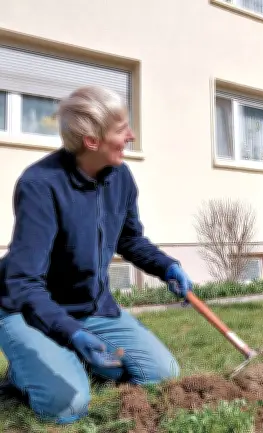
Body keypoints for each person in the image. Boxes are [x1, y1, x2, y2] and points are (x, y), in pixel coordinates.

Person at [0, 86, 191, 424]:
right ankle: (24, 372)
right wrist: (71, 332)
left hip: (90, 307)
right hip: (27, 309)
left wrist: (167, 267)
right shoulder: (40, 185)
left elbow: (129, 239)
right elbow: (23, 281)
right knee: (68, 406)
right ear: (91, 141)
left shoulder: (120, 176)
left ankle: (68, 357)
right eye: (122, 129)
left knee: (163, 375)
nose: (131, 136)